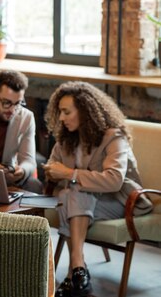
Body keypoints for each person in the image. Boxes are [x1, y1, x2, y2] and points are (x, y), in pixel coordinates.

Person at [43, 81, 153, 297]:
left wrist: (68, 174)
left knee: (71, 194)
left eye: (66, 112)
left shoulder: (113, 137)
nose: (62, 118)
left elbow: (113, 180)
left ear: (85, 112)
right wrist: (52, 172)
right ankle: (78, 272)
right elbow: (52, 166)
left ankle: (73, 271)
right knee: (71, 195)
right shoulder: (67, 139)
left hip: (121, 201)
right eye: (60, 112)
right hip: (82, 202)